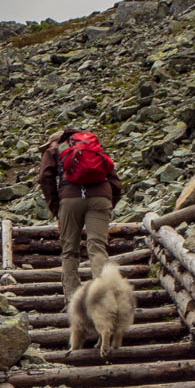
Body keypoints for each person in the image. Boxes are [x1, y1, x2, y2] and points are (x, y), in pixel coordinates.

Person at [35, 126, 117, 302]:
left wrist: (57, 209)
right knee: (97, 247)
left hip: (70, 199)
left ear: (56, 140)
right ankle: (103, 298)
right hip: (101, 196)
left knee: (70, 251)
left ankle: (73, 300)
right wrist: (109, 204)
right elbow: (114, 179)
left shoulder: (54, 149)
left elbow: (44, 177)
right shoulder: (93, 145)